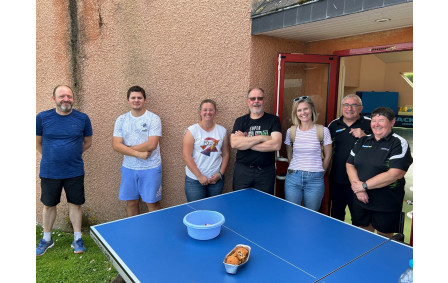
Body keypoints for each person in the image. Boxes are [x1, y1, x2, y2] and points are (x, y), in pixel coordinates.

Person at [36, 85, 93, 256]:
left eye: (69, 96)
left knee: (76, 204)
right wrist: (51, 156)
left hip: (74, 170)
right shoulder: (42, 117)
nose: (66, 99)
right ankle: (47, 238)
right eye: (62, 96)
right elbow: (37, 142)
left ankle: (77, 238)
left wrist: (72, 154)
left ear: (73, 98)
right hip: (50, 171)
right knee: (49, 205)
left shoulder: (82, 118)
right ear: (54, 98)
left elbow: (88, 142)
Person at [346, 107, 413, 238]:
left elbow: (395, 173)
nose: (376, 124)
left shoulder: (398, 143)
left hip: (386, 202)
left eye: (381, 120)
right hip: (361, 199)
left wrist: (364, 185)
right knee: (363, 235)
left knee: (383, 240)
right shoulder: (363, 140)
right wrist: (359, 189)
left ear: (392, 122)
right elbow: (350, 164)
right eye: (373, 120)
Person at [112, 86, 162, 217]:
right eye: (133, 98)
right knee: (131, 203)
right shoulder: (121, 120)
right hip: (128, 168)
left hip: (151, 168)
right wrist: (138, 153)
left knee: (153, 203)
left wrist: (126, 148)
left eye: (139, 98)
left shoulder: (154, 118)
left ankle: (155, 232)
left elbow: (151, 144)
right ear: (128, 100)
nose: (136, 100)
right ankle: (134, 232)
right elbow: (115, 145)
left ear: (145, 100)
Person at [328, 94, 372, 221]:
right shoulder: (333, 125)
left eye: (354, 105)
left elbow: (380, 148)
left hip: (361, 181)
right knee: (336, 215)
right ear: (342, 107)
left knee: (359, 218)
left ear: (361, 108)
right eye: (346, 105)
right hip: (337, 179)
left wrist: (365, 137)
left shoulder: (370, 124)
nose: (349, 108)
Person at [283, 96, 332, 211]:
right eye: (299, 110)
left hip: (315, 179)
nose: (303, 113)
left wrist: (319, 172)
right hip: (293, 178)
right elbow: (290, 155)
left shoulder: (323, 131)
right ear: (296, 113)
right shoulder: (291, 131)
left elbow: (328, 156)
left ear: (312, 110)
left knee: (311, 215)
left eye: (306, 109)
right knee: (291, 212)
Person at [230, 88, 282, 194]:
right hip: (243, 170)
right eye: (253, 98)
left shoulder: (273, 120)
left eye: (260, 98)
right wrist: (262, 138)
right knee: (240, 202)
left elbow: (276, 145)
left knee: (264, 204)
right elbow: (234, 143)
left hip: (266, 172)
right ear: (247, 101)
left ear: (264, 100)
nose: (256, 101)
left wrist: (245, 141)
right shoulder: (240, 121)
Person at [182, 99, 230, 202]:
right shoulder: (192, 131)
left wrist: (220, 174)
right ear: (200, 112)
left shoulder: (222, 131)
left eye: (211, 110)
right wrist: (199, 176)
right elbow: (187, 156)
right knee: (196, 211)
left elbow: (226, 154)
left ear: (215, 112)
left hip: (216, 180)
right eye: (205, 110)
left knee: (214, 210)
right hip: (195, 180)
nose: (208, 112)